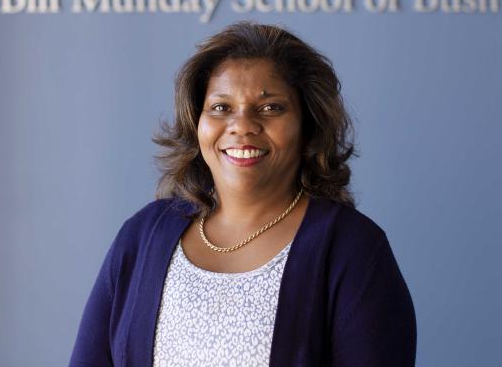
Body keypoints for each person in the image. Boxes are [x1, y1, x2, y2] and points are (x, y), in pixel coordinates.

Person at [69, 21, 417, 366]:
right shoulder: (143, 236)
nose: (242, 125)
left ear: (307, 124)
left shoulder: (353, 249)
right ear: (197, 124)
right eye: (221, 107)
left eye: (271, 108)